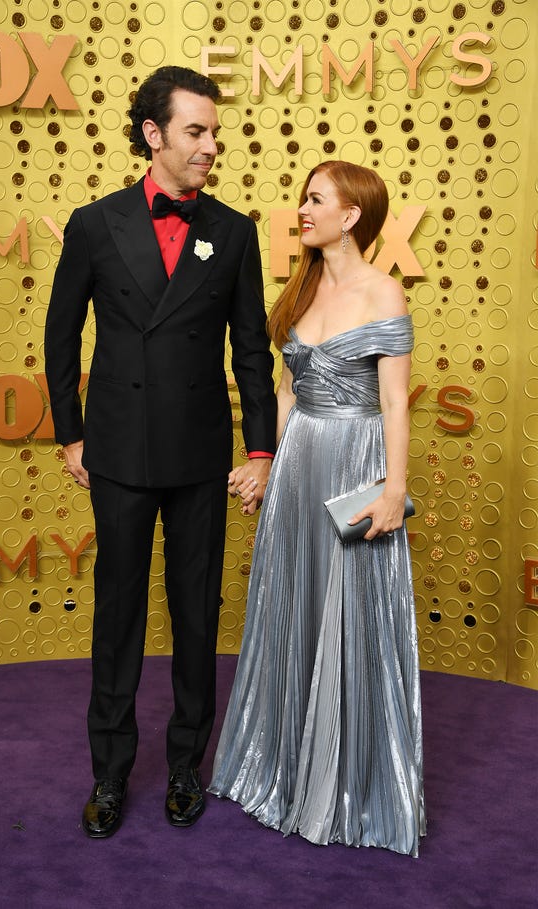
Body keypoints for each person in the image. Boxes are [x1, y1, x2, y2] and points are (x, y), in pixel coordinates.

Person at [44, 66, 277, 839]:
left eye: (214, 132)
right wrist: (70, 434)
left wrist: (262, 447)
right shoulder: (93, 222)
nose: (212, 146)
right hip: (116, 451)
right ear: (154, 135)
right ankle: (108, 775)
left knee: (196, 611)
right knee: (116, 616)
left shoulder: (234, 229)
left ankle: (185, 764)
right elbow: (59, 333)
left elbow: (250, 348)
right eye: (196, 132)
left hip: (202, 454)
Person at [209, 160, 426, 857]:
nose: (302, 209)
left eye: (315, 199)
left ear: (352, 214)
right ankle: (280, 766)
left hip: (357, 463)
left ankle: (348, 785)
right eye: (302, 197)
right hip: (300, 462)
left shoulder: (384, 292)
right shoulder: (298, 291)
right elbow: (286, 388)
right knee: (289, 607)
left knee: (352, 614)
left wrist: (394, 488)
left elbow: (394, 401)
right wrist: (263, 465)